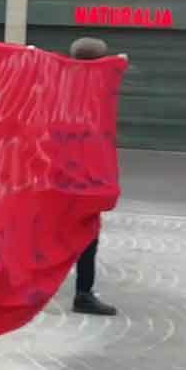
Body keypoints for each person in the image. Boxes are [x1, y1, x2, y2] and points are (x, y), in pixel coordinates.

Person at [65, 36, 119, 316]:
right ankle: (83, 294)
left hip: (60, 178)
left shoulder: (61, 83)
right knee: (87, 238)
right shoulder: (90, 90)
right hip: (80, 181)